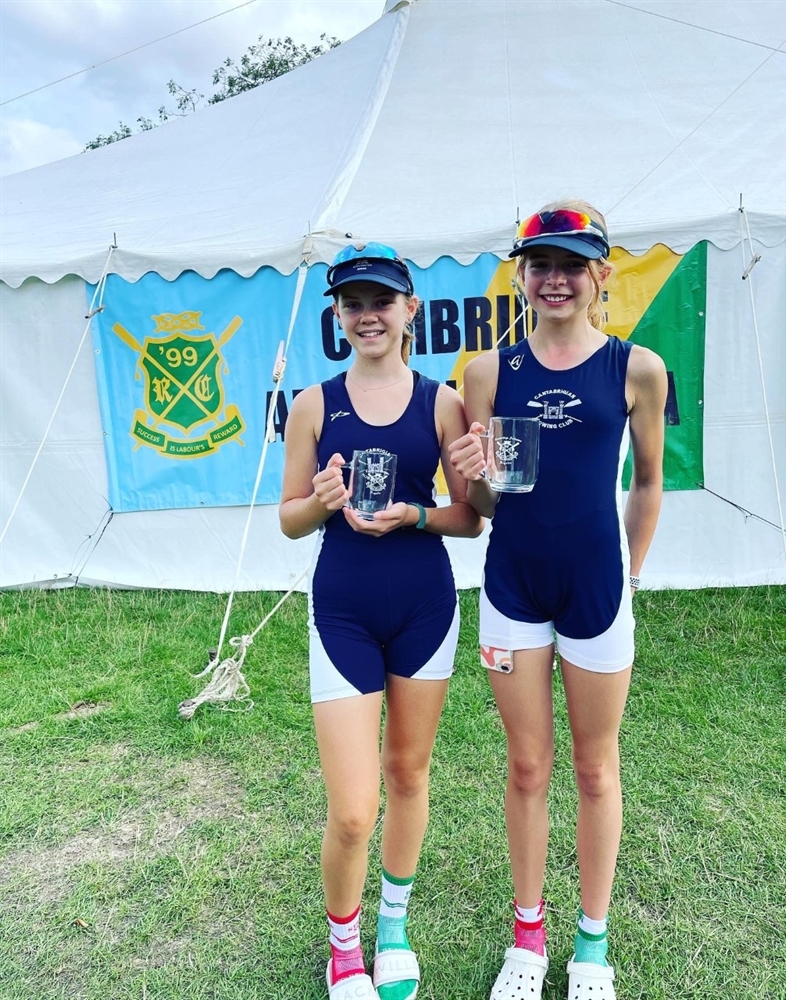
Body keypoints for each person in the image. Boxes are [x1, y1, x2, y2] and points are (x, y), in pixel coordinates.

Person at [448, 201, 668, 1000]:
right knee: (528, 764)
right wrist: (463, 468)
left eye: (572, 264)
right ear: (521, 275)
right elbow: (482, 506)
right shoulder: (487, 372)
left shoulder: (635, 368)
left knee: (596, 767)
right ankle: (528, 943)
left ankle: (592, 950)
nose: (555, 279)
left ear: (601, 274)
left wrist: (631, 576)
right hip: (512, 586)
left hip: (599, 591)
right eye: (540, 264)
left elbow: (647, 481)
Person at [279, 243, 483, 1000]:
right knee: (354, 807)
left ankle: (392, 925)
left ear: (409, 312)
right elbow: (289, 520)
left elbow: (469, 518)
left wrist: (417, 514)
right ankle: (343, 945)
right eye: (353, 303)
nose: (368, 314)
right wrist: (325, 503)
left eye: (382, 301)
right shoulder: (313, 404)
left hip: (425, 607)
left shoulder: (442, 401)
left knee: (408, 773)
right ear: (338, 315)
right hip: (344, 612)